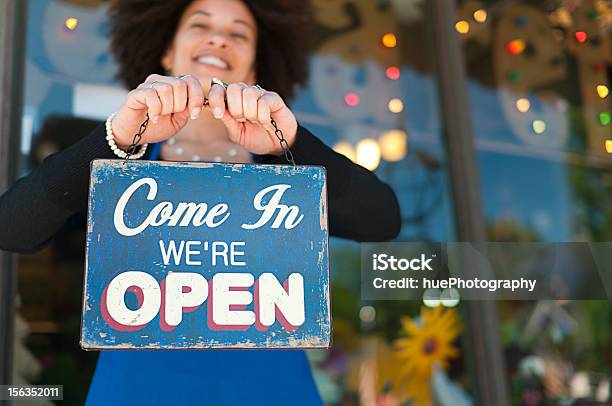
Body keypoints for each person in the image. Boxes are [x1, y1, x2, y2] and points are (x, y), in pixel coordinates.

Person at [0, 0, 401, 403]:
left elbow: (381, 221)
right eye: (200, 25)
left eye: (238, 33)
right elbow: (13, 227)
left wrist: (292, 144)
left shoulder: (285, 166)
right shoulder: (121, 157)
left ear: (256, 67)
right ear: (167, 53)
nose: (218, 39)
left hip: (274, 392)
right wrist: (117, 140)